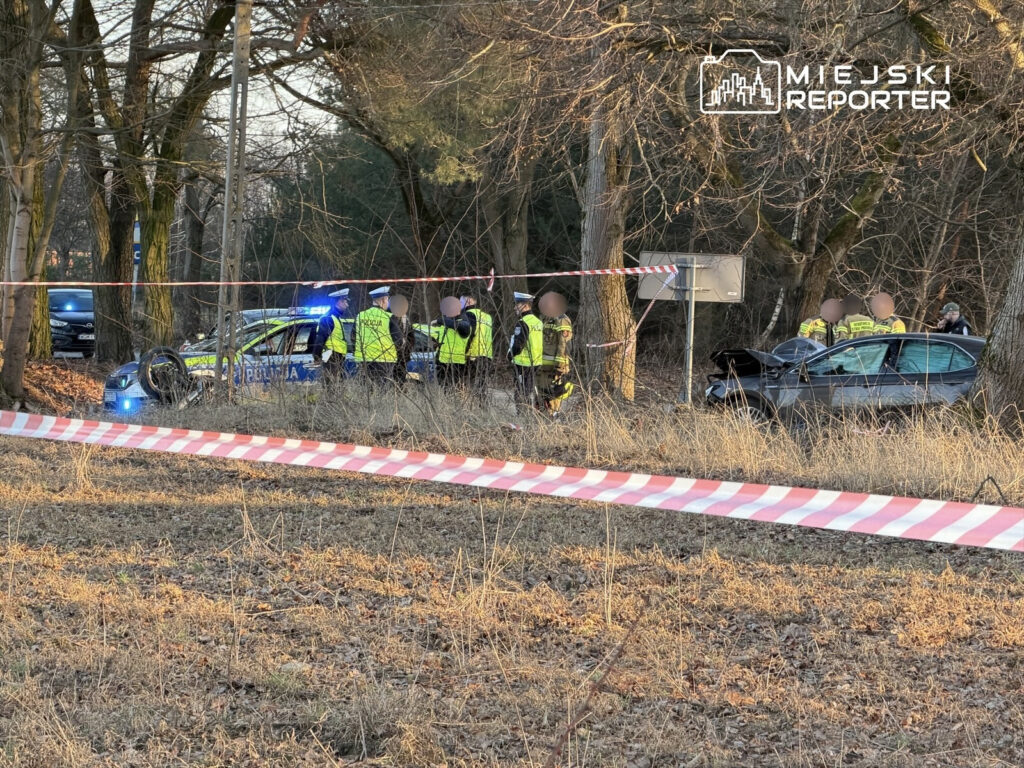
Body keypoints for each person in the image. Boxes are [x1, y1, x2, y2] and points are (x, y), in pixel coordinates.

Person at [353, 286, 403, 382]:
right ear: (383, 300)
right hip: (384, 360)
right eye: (387, 300)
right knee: (381, 388)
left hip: (363, 359)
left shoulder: (360, 315)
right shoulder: (388, 317)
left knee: (366, 387)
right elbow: (398, 340)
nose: (388, 303)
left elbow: (353, 336)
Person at [537, 293, 574, 416]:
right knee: (542, 394)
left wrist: (559, 365)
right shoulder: (544, 318)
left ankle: (553, 418)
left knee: (554, 395)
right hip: (543, 365)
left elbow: (564, 344)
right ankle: (543, 417)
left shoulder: (562, 320)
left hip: (556, 365)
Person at [507, 291, 543, 410]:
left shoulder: (523, 323)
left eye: (517, 305)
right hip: (536, 362)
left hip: (523, 363)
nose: (514, 308)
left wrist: (510, 355)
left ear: (525, 305)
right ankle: (530, 414)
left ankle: (523, 415)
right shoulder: (538, 322)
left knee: (521, 392)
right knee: (529, 390)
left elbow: (518, 345)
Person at [310, 288, 351, 383]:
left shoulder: (336, 318)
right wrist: (317, 357)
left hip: (337, 358)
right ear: (339, 302)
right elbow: (320, 339)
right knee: (332, 386)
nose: (347, 305)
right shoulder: (328, 319)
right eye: (345, 302)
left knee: (337, 386)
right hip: (331, 358)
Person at [460, 293, 493, 394]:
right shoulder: (487, 317)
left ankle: (471, 404)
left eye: (461, 301)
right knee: (482, 386)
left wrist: (463, 351)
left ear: (469, 301)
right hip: (487, 355)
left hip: (472, 354)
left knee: (469, 386)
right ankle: (482, 403)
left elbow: (469, 334)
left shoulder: (469, 314)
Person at [435, 296, 471, 388]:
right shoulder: (446, 323)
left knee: (453, 389)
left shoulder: (464, 321)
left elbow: (460, 326)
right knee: (444, 389)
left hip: (456, 363)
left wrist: (441, 320)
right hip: (442, 362)